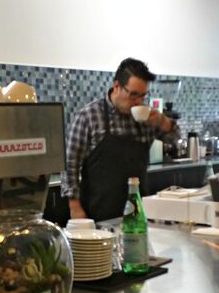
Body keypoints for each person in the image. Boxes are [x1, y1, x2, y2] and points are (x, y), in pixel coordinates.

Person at [62, 57, 179, 223]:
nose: (138, 101)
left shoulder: (146, 119)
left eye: (143, 96)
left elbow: (175, 140)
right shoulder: (90, 116)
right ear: (116, 86)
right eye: (133, 95)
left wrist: (163, 122)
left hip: (139, 215)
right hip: (99, 214)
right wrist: (75, 208)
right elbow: (70, 165)